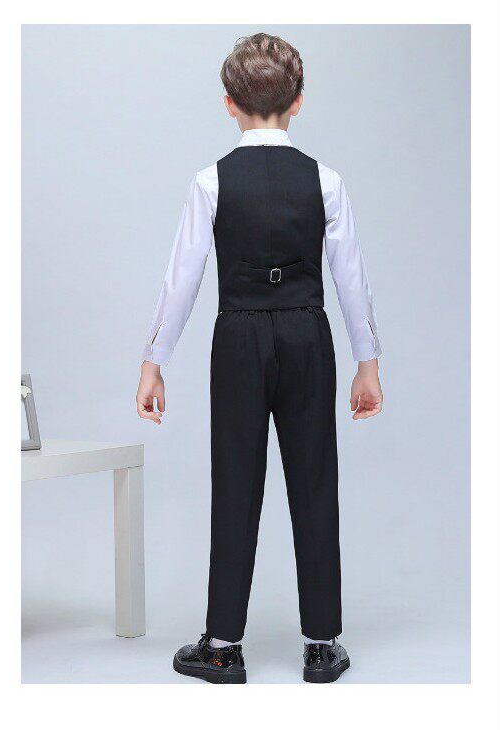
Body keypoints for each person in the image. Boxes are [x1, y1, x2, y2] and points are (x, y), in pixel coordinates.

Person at [136, 33, 383, 684]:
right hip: (307, 333)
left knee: (235, 482)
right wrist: (366, 362)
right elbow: (350, 277)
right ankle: (322, 644)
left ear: (228, 104)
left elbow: (182, 278)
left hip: (239, 336)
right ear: (297, 102)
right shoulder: (325, 180)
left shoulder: (210, 180)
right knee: (314, 481)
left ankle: (222, 646)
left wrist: (154, 360)